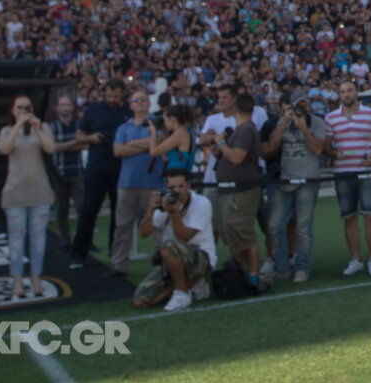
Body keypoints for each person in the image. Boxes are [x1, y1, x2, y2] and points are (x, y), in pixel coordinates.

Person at [0, 95, 56, 298]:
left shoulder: (43, 127)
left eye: (27, 107)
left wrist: (37, 128)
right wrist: (18, 126)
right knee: (16, 237)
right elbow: (4, 149)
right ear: (13, 110)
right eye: (19, 107)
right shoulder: (6, 130)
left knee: (38, 237)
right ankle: (17, 279)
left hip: (39, 190)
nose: (23, 109)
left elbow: (50, 148)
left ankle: (36, 276)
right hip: (15, 191)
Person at [133, 168, 216, 311]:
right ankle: (192, 284)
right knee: (140, 302)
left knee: (167, 247)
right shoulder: (165, 203)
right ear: (166, 187)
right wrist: (151, 210)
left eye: (180, 186)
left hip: (201, 258)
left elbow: (184, 237)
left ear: (188, 185)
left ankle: (182, 293)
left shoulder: (202, 203)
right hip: (172, 261)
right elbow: (144, 234)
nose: (176, 191)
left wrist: (174, 213)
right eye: (172, 187)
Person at [262, 97, 325, 283]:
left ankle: (302, 268)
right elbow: (272, 147)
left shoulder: (317, 122)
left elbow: (318, 149)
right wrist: (283, 122)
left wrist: (304, 128)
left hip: (308, 179)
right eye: (292, 107)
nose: (297, 110)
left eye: (302, 106)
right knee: (274, 226)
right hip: (285, 179)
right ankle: (281, 269)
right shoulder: (280, 122)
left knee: (303, 228)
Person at [323, 79, 371, 276]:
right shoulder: (331, 118)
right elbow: (327, 147)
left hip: (366, 171)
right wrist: (334, 155)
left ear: (356, 92)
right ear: (339, 95)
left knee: (370, 215)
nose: (346, 94)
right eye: (342, 92)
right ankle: (355, 259)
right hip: (343, 172)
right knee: (349, 218)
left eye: (349, 90)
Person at [70, 79, 131, 270]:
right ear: (105, 94)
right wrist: (91, 138)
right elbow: (78, 136)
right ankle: (79, 253)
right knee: (88, 212)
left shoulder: (129, 112)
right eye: (109, 96)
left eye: (116, 96)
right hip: (97, 168)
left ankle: (116, 254)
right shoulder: (93, 110)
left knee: (118, 215)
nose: (112, 99)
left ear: (122, 94)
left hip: (121, 169)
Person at [207, 92, 263, 283]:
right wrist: (220, 147)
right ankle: (243, 272)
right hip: (230, 190)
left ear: (236, 109)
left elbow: (237, 158)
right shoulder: (241, 130)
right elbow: (226, 156)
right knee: (231, 233)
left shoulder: (246, 130)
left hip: (241, 191)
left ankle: (253, 275)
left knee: (242, 231)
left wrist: (221, 142)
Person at [109, 89, 162, 278]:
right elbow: (117, 151)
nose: (139, 102)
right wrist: (147, 143)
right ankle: (119, 264)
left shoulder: (157, 124)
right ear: (130, 104)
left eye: (143, 99)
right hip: (126, 183)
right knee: (122, 225)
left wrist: (131, 146)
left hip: (152, 182)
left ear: (149, 103)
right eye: (135, 100)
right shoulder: (123, 128)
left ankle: (161, 263)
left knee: (156, 225)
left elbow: (159, 142)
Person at [47, 95, 87, 247]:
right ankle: (65, 239)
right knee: (61, 209)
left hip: (76, 170)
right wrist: (74, 142)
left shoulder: (79, 124)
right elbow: (52, 147)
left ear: (72, 107)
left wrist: (62, 145)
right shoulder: (52, 126)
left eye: (68, 105)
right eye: (62, 105)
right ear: (57, 108)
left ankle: (84, 240)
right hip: (59, 172)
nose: (65, 108)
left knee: (81, 208)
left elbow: (85, 144)